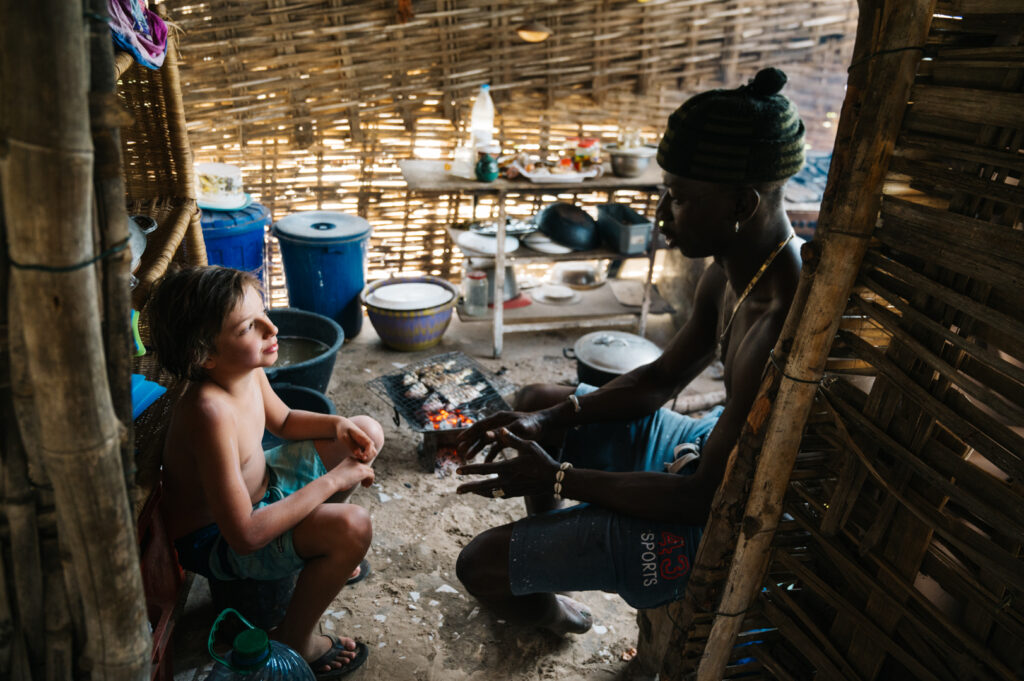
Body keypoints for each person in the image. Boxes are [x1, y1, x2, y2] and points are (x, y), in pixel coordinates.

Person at [454, 67, 806, 634]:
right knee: (539, 401)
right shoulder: (729, 275)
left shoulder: (785, 326)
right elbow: (657, 381)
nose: (663, 216)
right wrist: (546, 418)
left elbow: (699, 500)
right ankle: (555, 574)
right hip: (702, 448)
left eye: (682, 198)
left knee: (478, 565)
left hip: (716, 517)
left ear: (743, 201)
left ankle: (546, 606)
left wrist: (561, 479)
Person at [149, 266, 384, 677]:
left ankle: (319, 550)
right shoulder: (208, 411)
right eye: (248, 327)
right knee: (353, 526)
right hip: (219, 540)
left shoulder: (245, 371)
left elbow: (286, 420)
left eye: (265, 315)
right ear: (205, 356)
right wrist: (335, 479)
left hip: (264, 493)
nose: (271, 328)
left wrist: (339, 425)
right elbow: (244, 535)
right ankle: (296, 637)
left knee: (366, 429)